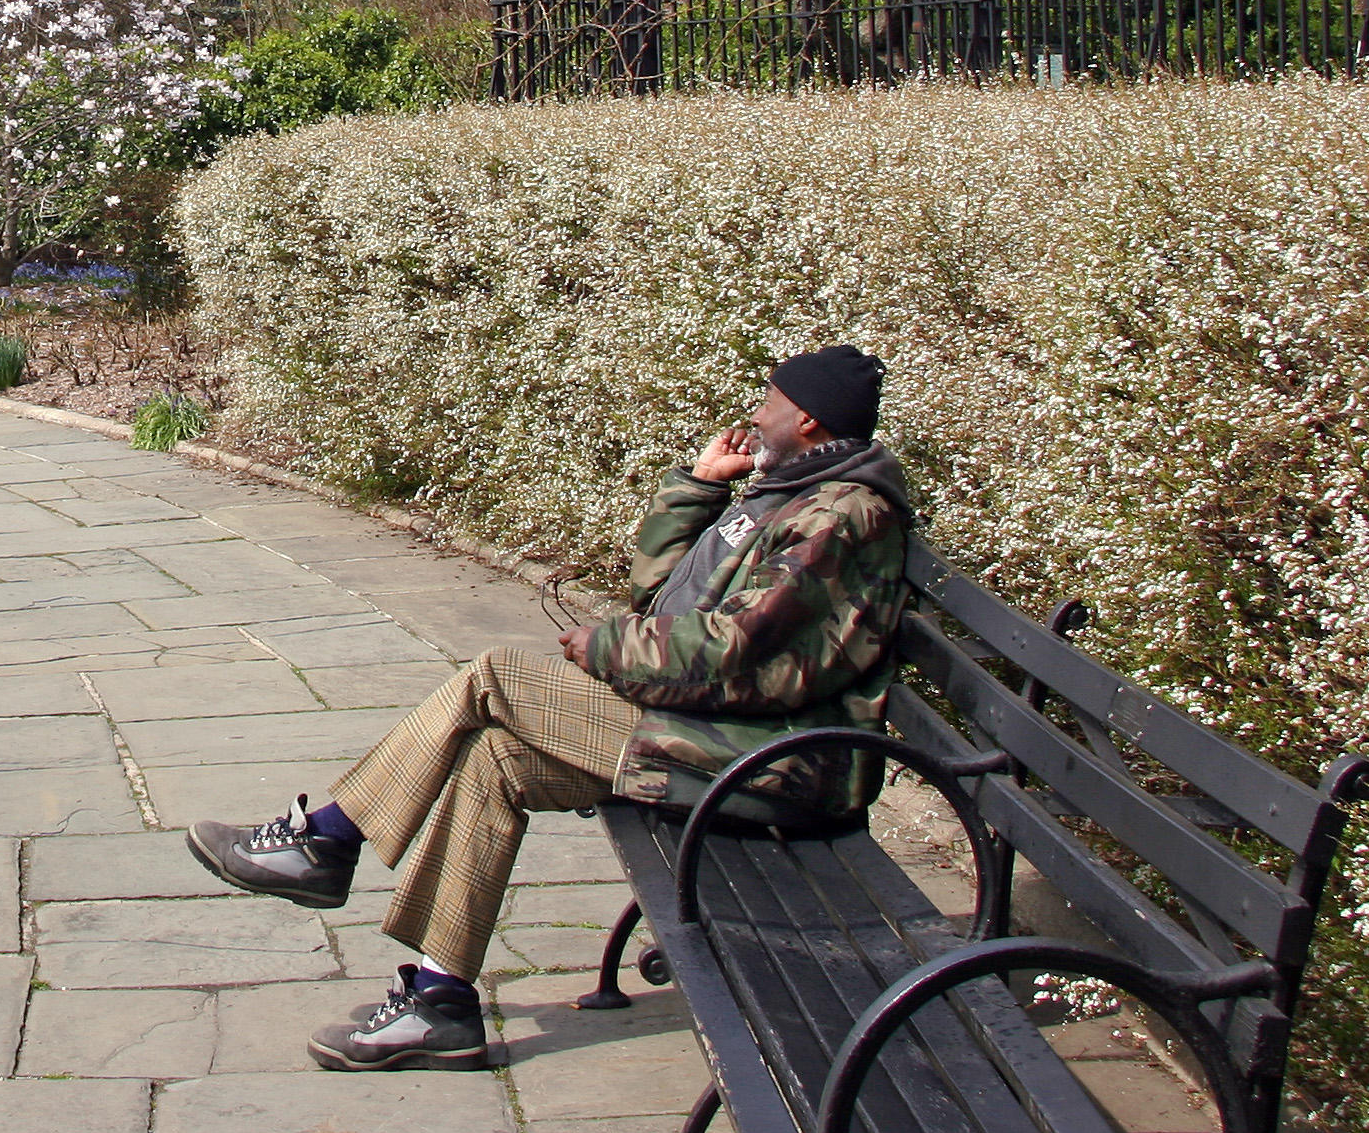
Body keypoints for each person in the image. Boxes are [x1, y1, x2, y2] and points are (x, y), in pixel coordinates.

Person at [186, 345, 913, 1073]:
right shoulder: (786, 492)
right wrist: (697, 485)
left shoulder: (842, 516)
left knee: (496, 675)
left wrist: (607, 647)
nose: (756, 412)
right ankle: (441, 1004)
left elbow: (734, 650)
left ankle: (328, 839)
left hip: (772, 762)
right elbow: (660, 597)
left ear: (809, 418)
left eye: (771, 398)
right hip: (718, 733)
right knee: (494, 756)